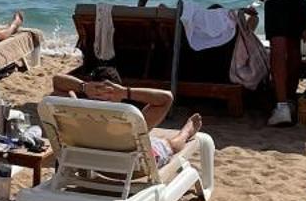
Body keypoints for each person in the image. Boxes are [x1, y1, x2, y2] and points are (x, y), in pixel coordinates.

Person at [51, 62, 204, 166]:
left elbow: (57, 81)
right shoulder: (129, 122)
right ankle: (186, 132)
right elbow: (166, 98)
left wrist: (84, 87)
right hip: (129, 169)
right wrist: (125, 92)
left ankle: (182, 133)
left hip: (89, 163)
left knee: (151, 140)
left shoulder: (75, 112)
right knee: (168, 144)